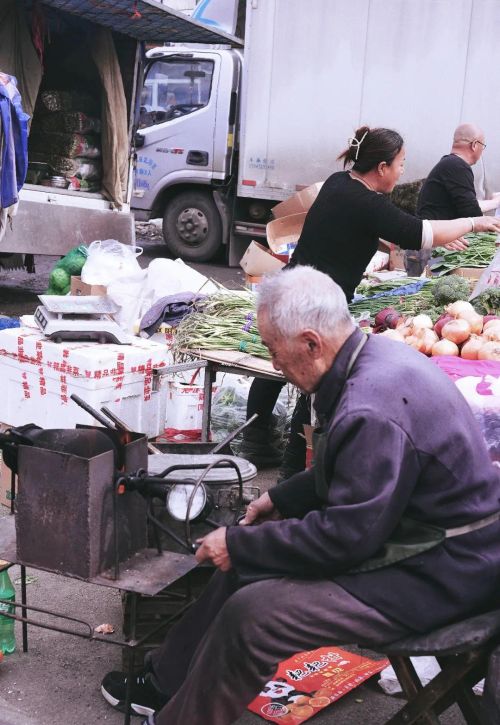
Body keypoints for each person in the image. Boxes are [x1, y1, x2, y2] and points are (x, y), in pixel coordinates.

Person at [101, 266, 500, 725]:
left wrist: (238, 544)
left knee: (256, 615)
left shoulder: (371, 404)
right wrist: (282, 500)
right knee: (246, 567)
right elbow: (357, 470)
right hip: (420, 541)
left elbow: (346, 539)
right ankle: (164, 684)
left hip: (446, 572)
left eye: (275, 350)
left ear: (311, 342)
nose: (274, 364)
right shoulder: (371, 358)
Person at [239, 125, 500, 478]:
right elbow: (417, 233)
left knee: (279, 363)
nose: (402, 170)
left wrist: (426, 236)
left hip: (292, 289)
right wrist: (472, 223)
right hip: (317, 304)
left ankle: (256, 442)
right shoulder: (367, 202)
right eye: (401, 163)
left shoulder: (338, 183)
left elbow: (369, 227)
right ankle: (293, 468)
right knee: (317, 378)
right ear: (382, 168)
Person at [406, 122, 500, 274]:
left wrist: (494, 202)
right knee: (426, 293)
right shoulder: (457, 166)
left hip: (430, 244)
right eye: (483, 146)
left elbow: (466, 205)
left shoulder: (449, 165)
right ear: (475, 145)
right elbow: (472, 212)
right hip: (431, 247)